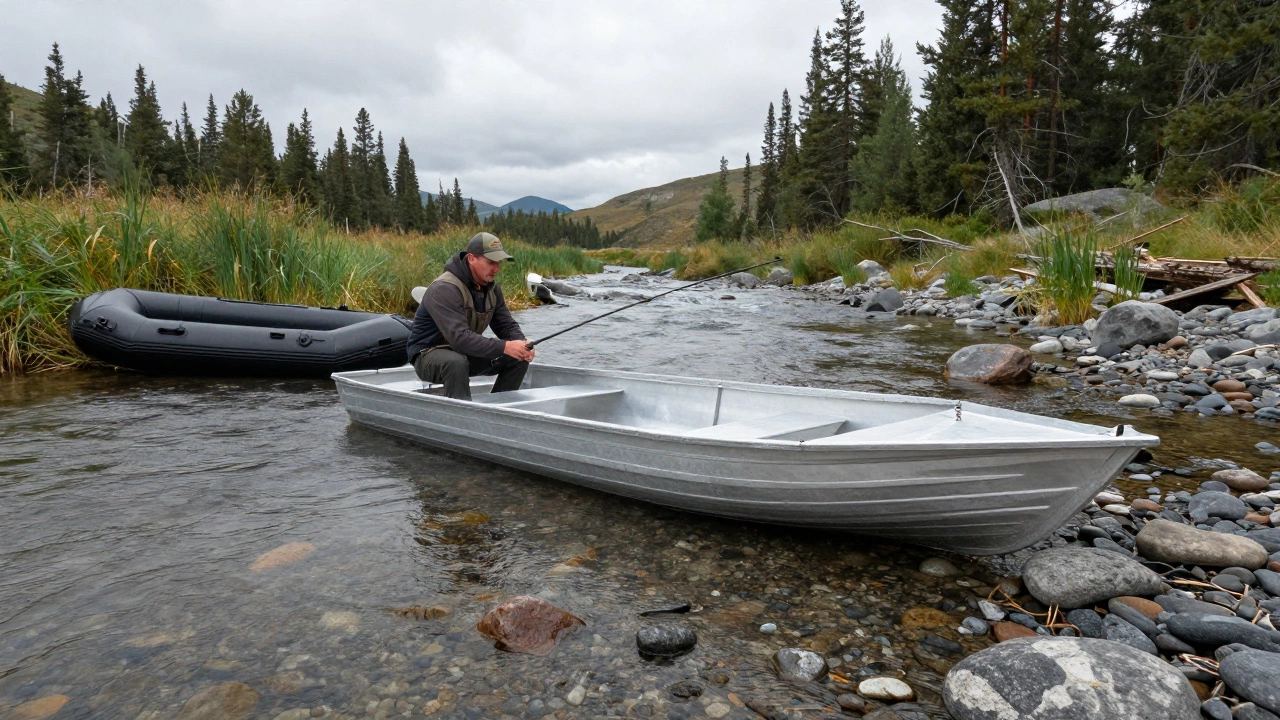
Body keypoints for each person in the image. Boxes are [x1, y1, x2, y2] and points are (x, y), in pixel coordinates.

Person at [405, 232, 535, 400]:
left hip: (464, 352)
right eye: (491, 262)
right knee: (455, 362)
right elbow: (460, 338)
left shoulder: (492, 288)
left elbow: (506, 325)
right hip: (427, 356)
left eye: (499, 262)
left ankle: (499, 407)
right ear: (472, 258)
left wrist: (522, 344)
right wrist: (505, 346)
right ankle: (461, 411)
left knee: (518, 357)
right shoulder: (444, 289)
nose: (497, 268)